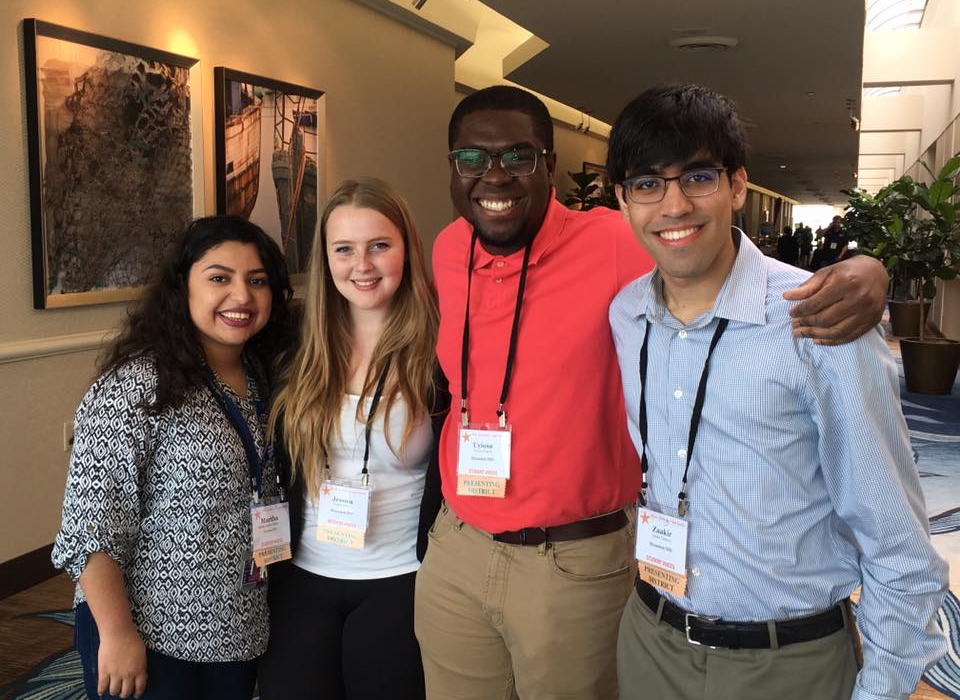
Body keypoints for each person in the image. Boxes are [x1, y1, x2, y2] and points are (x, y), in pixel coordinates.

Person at [413, 85, 892, 699]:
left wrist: (871, 270)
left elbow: (709, 257)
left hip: (571, 562)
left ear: (550, 168)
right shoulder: (450, 248)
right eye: (472, 160)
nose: (494, 175)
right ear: (453, 168)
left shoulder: (613, 241)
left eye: (519, 156)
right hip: (458, 546)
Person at [606, 83, 948, 700]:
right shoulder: (627, 316)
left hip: (785, 661)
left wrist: (883, 687)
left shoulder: (819, 320)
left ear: (737, 185)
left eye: (698, 178)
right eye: (647, 184)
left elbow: (895, 535)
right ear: (623, 199)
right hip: (652, 639)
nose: (674, 205)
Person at [52, 216, 295, 700]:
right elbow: (89, 529)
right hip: (150, 636)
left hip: (238, 628)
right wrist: (118, 636)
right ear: (182, 287)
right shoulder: (136, 386)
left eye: (258, 280)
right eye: (219, 278)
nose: (241, 296)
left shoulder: (267, 379)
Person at [258, 178, 447, 700]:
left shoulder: (442, 348)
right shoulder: (294, 346)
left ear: (406, 247)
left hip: (402, 578)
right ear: (326, 258)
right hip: (301, 574)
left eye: (379, 246)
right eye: (344, 249)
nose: (361, 265)